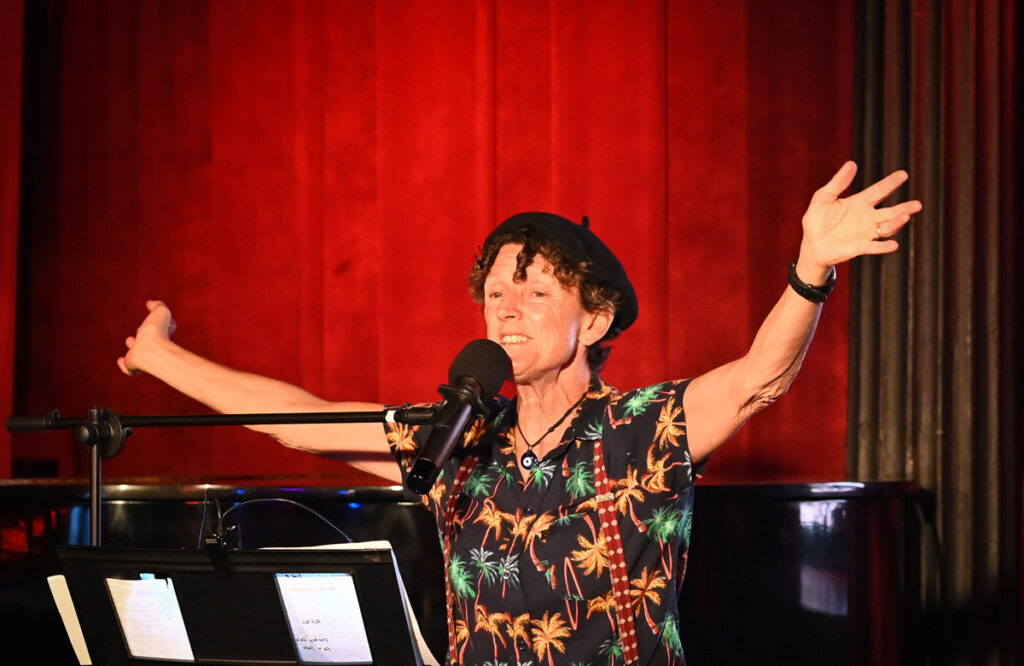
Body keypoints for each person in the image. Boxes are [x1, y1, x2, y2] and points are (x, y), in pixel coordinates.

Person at [118, 161, 921, 665]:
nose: (507, 310)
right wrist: (161, 358)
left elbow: (757, 380)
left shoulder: (640, 428)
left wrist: (810, 271)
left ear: (594, 322)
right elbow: (301, 417)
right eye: (497, 293)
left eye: (536, 293)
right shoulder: (458, 440)